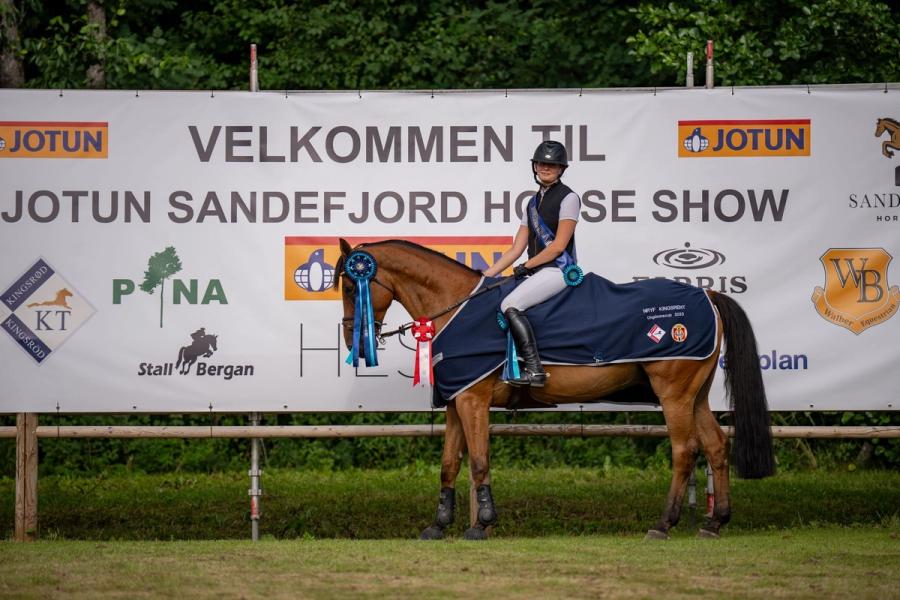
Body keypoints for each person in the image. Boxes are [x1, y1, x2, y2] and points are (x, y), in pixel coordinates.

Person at [482, 140, 580, 387]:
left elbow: (557, 247)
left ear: (561, 169)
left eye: (552, 165)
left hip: (558, 270)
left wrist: (527, 266)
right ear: (535, 166)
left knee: (510, 304)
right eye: (541, 163)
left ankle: (535, 370)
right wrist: (486, 275)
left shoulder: (569, 198)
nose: (546, 168)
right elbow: (516, 249)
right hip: (536, 272)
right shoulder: (532, 203)